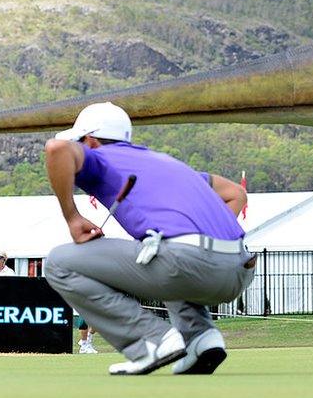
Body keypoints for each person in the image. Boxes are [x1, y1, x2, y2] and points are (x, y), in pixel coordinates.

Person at [43, 102, 255, 375]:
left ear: (90, 141)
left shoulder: (100, 156)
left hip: (189, 265)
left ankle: (151, 340)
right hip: (239, 268)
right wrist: (213, 246)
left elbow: (56, 149)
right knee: (164, 250)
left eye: (79, 141)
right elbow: (236, 193)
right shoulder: (166, 162)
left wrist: (72, 217)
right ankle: (201, 338)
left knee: (59, 262)